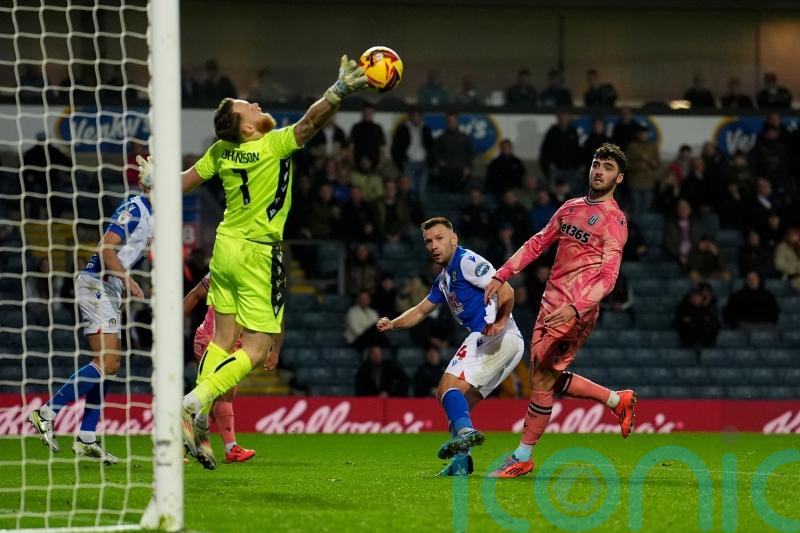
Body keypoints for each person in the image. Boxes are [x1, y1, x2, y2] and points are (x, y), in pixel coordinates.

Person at [177, 55, 368, 469]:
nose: (258, 106)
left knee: (221, 340)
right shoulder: (271, 143)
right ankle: (194, 401)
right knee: (258, 346)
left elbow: (184, 180)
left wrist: (156, 179)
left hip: (224, 248)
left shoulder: (222, 151)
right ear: (248, 127)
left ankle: (195, 418)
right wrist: (339, 92)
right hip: (258, 252)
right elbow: (311, 122)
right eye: (251, 108)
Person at [483, 143, 636, 478]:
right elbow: (538, 242)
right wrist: (502, 273)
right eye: (597, 163)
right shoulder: (570, 207)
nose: (599, 170)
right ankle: (616, 400)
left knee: (540, 378)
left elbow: (608, 279)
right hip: (550, 303)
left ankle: (523, 456)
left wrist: (576, 309)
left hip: (574, 312)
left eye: (608, 167)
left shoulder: (614, 221)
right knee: (545, 376)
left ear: (619, 177)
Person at [27, 160, 153, 465]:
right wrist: (125, 277)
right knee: (106, 361)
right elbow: (105, 247)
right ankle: (47, 412)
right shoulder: (135, 208)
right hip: (98, 283)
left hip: (110, 289)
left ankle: (86, 437)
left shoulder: (158, 216)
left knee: (111, 364)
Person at [377, 217, 524, 476]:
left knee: (446, 388)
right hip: (509, 344)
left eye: (439, 238)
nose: (433, 245)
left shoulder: (466, 262)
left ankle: (467, 434)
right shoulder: (444, 278)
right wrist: (393, 324)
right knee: (456, 407)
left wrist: (499, 322)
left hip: (492, 335)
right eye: (428, 241)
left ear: (453, 239)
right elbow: (421, 310)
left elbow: (507, 291)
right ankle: (461, 463)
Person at [183, 273, 268, 464]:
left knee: (220, 395)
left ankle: (211, 444)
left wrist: (273, 349)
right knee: (222, 392)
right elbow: (196, 294)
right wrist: (171, 324)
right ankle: (227, 448)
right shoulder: (221, 272)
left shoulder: (260, 275)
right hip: (211, 340)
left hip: (235, 345)